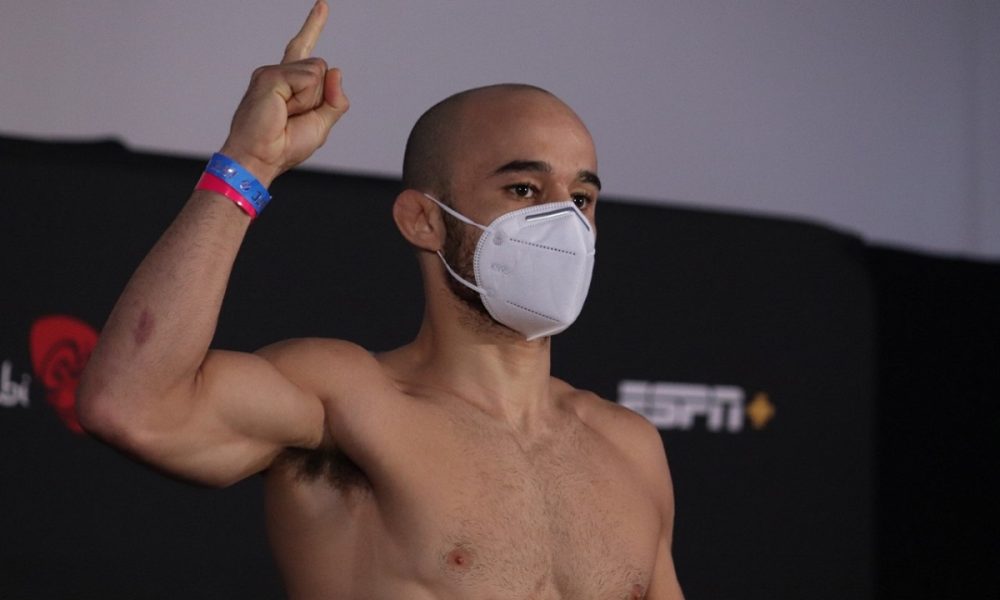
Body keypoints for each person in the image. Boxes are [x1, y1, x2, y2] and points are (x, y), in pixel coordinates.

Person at [77, 1, 684, 598]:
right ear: (423, 220)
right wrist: (249, 163)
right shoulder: (346, 402)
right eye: (523, 189)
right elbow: (131, 406)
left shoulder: (629, 447)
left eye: (580, 199)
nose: (561, 222)